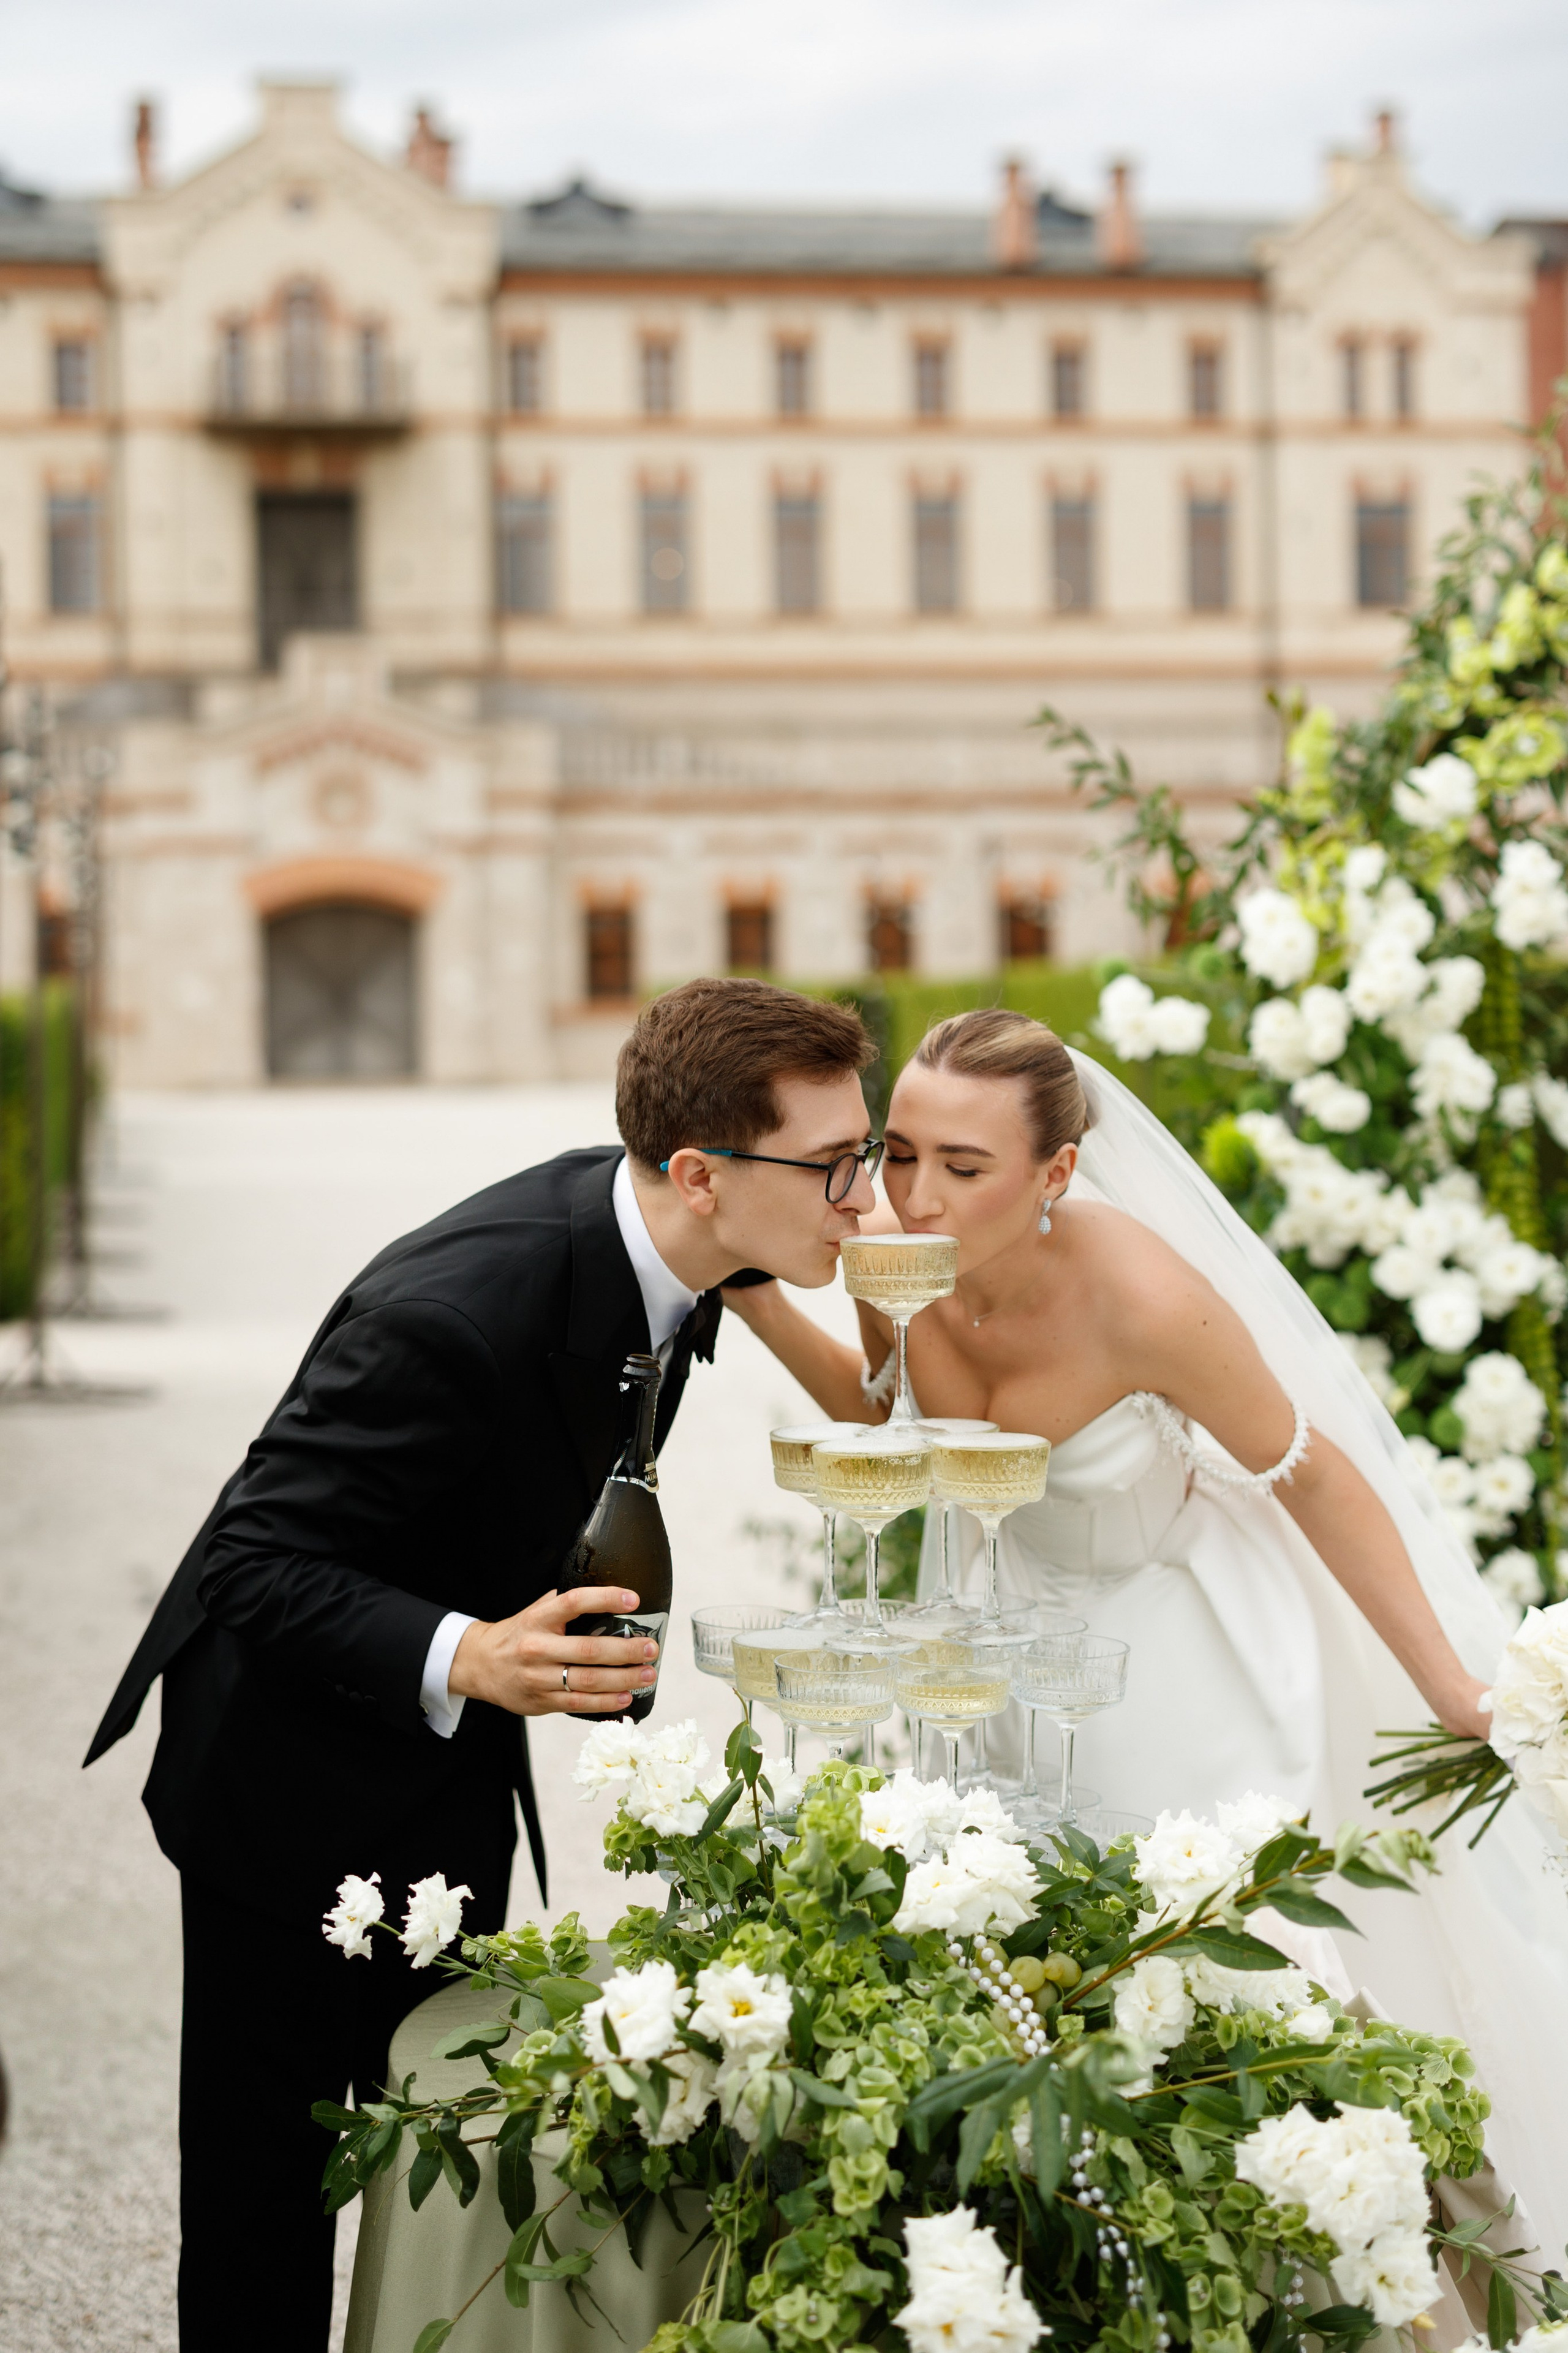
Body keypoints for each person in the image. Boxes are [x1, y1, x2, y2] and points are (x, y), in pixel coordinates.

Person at [85, 975, 879, 2353]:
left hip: (441, 1765)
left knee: (446, 2150)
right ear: (699, 1174)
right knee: (266, 2196)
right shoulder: (453, 1312)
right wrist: (473, 1653)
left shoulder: (682, 1242)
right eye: (834, 1166)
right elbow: (250, 1561)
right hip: (277, 1773)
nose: (861, 1200)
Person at [723, 1006, 1568, 2251]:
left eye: (965, 1166)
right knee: (1045, 1977)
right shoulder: (893, 1255)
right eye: (898, 1152)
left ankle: (1360, 2260)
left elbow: (1309, 1470)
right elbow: (888, 1410)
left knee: (1234, 1977)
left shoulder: (1147, 1299)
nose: (916, 1193)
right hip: (1024, 1655)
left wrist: (1450, 1685)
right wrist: (753, 1302)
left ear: (1056, 1171)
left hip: (1188, 1654)